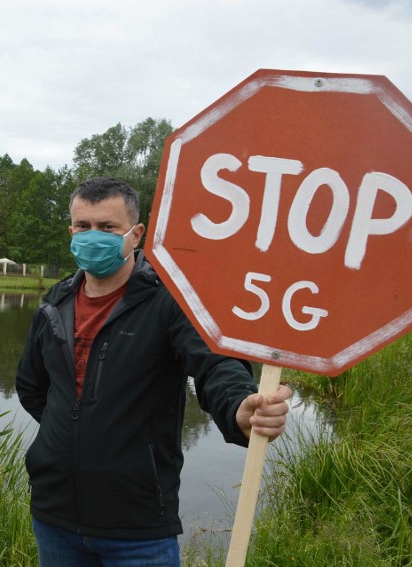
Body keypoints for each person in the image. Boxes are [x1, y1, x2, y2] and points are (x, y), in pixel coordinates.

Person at [15, 177, 292, 566]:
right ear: (71, 231)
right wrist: (76, 429)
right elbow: (32, 386)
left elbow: (215, 364)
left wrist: (238, 406)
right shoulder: (54, 303)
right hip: (54, 516)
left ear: (135, 233)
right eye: (83, 226)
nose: (93, 236)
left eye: (108, 227)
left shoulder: (170, 302)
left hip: (138, 526)